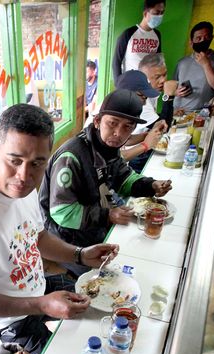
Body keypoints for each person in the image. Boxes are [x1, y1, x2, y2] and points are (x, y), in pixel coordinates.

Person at [0, 104, 119, 354]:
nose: (24, 175)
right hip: (2, 324)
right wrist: (41, 305)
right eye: (14, 161)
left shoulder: (24, 189)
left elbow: (38, 237)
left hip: (35, 287)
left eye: (36, 163)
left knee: (98, 304)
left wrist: (80, 254)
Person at [39, 90, 172, 276]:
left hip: (93, 226)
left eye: (127, 127)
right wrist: (107, 215)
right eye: (112, 123)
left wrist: (150, 185)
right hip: (66, 238)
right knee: (107, 278)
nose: (118, 133)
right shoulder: (72, 156)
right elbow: (62, 212)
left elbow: (124, 177)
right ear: (97, 121)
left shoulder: (109, 147)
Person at [114, 70, 166, 169]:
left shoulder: (124, 111)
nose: (144, 103)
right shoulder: (110, 116)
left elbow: (126, 139)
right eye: (141, 96)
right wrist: (145, 145)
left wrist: (149, 134)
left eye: (146, 98)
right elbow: (112, 159)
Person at [174, 21, 214, 113]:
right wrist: (176, 92)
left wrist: (206, 64)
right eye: (198, 38)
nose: (203, 41)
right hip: (179, 112)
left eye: (206, 37)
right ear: (191, 42)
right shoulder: (182, 62)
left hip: (203, 113)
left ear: (212, 38)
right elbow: (172, 87)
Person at [112, 0, 165, 84]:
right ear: (145, 14)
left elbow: (158, 61)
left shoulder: (157, 35)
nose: (160, 16)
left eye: (162, 13)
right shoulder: (128, 34)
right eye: (156, 12)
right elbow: (116, 61)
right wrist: (118, 84)